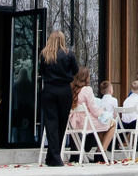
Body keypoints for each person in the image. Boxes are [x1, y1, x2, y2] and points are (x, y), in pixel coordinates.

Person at [38, 30, 78, 167]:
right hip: (64, 90)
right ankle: (55, 156)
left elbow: (41, 72)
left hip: (49, 89)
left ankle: (52, 156)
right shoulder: (68, 54)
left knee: (51, 123)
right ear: (62, 40)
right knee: (61, 123)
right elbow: (75, 70)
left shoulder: (44, 54)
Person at [67, 65, 114, 162]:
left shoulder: (70, 89)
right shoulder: (87, 90)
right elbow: (94, 110)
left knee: (102, 125)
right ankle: (101, 152)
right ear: (86, 77)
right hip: (86, 122)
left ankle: (99, 152)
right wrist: (104, 113)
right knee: (112, 124)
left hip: (74, 122)